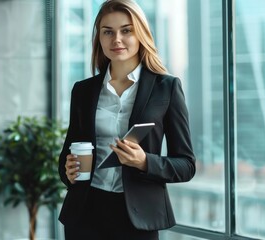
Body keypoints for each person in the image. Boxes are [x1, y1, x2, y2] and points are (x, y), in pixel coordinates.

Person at [58, 0, 196, 239]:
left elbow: (186, 165)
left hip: (138, 219)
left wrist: (144, 161)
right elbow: (67, 156)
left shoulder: (167, 88)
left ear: (140, 33)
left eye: (126, 30)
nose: (116, 40)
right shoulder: (82, 91)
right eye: (108, 32)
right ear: (99, 38)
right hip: (85, 213)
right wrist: (67, 171)